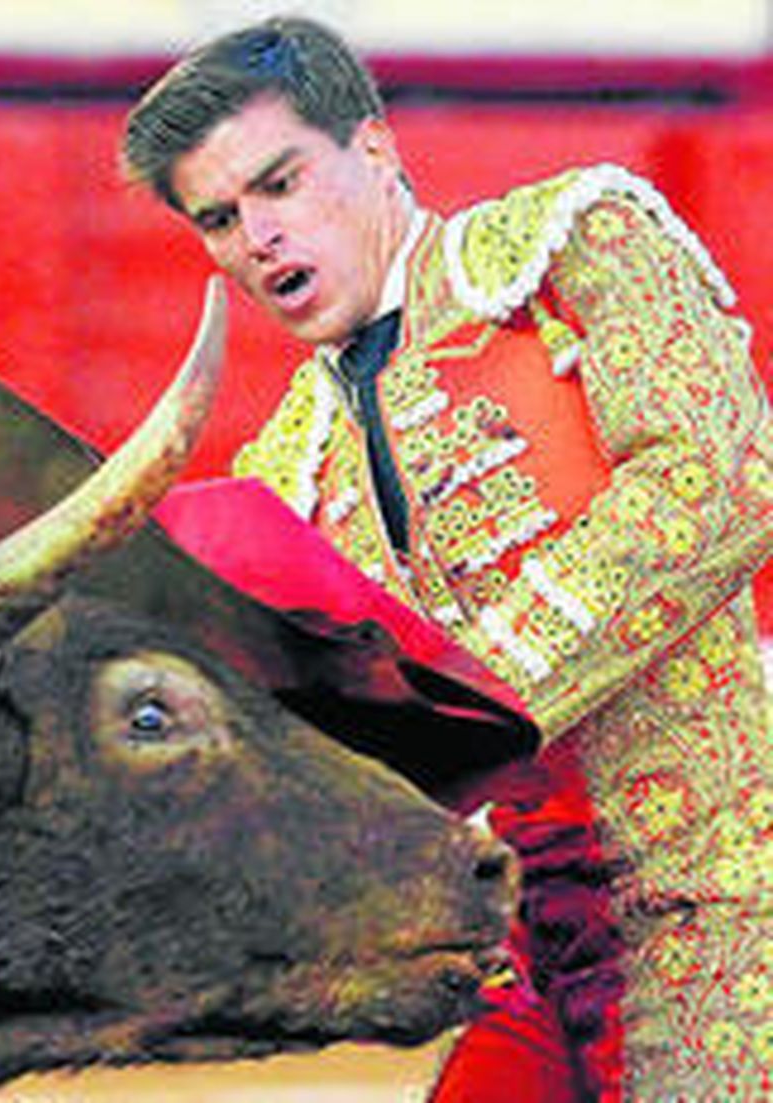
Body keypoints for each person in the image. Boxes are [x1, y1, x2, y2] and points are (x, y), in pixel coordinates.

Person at [121, 16, 773, 1102]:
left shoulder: (571, 248)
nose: (259, 238)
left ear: (374, 148)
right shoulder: (286, 469)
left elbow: (720, 480)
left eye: (280, 183)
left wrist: (463, 700)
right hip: (531, 948)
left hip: (724, 908)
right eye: (221, 219)